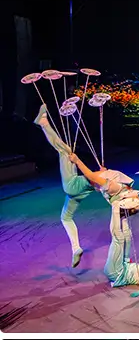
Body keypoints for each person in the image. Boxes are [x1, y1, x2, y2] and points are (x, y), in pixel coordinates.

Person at [34, 104, 96, 268]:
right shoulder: (106, 183)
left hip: (73, 185)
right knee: (65, 217)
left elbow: (91, 176)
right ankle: (76, 247)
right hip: (78, 192)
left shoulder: (101, 178)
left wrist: (77, 161)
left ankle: (43, 123)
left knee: (65, 151)